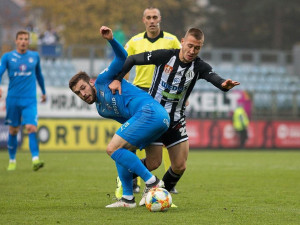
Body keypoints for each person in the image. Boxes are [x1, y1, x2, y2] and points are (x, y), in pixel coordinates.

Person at [109, 27, 240, 206]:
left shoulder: (199, 66)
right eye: (190, 46)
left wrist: (224, 85)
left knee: (179, 166)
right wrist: (117, 78)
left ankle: (160, 195)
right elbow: (132, 59)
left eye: (197, 48)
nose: (192, 51)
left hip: (176, 120)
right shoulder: (165, 56)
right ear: (182, 42)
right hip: (153, 118)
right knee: (154, 163)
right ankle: (126, 178)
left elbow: (213, 77)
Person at [69, 26, 170, 208]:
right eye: (78, 93)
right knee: (140, 157)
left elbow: (123, 58)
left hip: (150, 112)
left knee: (112, 149)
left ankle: (152, 182)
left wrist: (111, 40)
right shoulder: (102, 110)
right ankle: (127, 199)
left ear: (91, 83)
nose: (82, 94)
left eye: (83, 88)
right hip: (153, 120)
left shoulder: (103, 80)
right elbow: (127, 124)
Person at [115, 7, 181, 197]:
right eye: (148, 18)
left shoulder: (172, 40)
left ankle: (167, 180)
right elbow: (124, 64)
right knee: (133, 139)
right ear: (143, 20)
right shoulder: (134, 41)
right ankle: (131, 180)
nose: (152, 20)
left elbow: (180, 65)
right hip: (140, 94)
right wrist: (122, 87)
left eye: (155, 17)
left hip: (164, 95)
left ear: (160, 19)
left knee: (166, 137)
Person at [0, 30, 46, 171]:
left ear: (28, 41)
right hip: (13, 99)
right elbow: (0, 71)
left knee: (31, 127)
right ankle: (12, 160)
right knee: (13, 130)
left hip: (30, 99)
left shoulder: (34, 56)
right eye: (21, 38)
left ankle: (35, 159)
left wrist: (43, 92)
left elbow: (39, 75)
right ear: (16, 41)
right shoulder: (8, 57)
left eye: (26, 39)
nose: (23, 41)